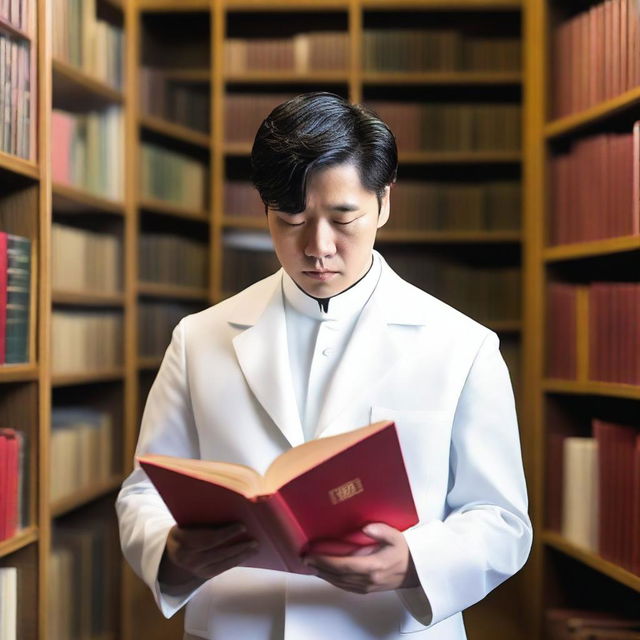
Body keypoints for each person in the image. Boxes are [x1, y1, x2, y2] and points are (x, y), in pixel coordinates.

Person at [116, 91, 532, 640]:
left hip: (388, 627)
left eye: (343, 218)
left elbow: (502, 520)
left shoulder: (463, 345)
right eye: (291, 219)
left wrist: (413, 561)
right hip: (238, 625)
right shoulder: (199, 337)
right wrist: (170, 550)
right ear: (264, 209)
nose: (318, 247)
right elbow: (144, 491)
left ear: (384, 202)